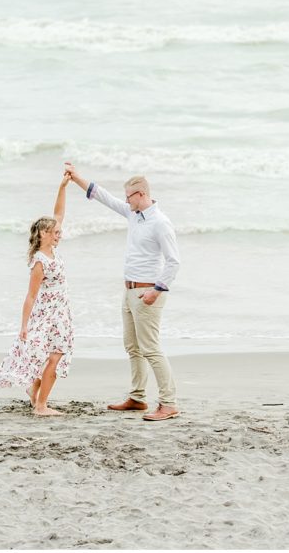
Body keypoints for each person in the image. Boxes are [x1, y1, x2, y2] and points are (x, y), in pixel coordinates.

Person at [64, 163, 180, 421]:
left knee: (151, 348)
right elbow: (104, 197)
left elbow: (174, 261)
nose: (126, 202)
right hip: (128, 291)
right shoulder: (133, 214)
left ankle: (169, 404)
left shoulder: (160, 223)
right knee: (132, 347)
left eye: (129, 197)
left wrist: (157, 291)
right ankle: (138, 398)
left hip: (148, 292)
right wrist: (77, 178)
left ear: (141, 194)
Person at [0, 171, 74, 416]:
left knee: (50, 357)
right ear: (44, 235)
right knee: (54, 358)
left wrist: (63, 186)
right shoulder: (40, 262)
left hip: (61, 314)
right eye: (55, 232)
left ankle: (34, 394)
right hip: (48, 317)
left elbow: (59, 214)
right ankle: (41, 406)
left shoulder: (53, 250)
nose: (60, 233)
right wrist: (24, 326)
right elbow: (31, 297)